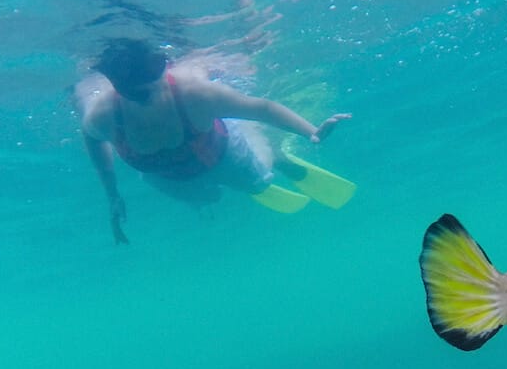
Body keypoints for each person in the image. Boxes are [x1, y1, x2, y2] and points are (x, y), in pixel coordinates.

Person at [76, 38, 353, 244]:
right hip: (163, 177)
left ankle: (273, 155)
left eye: (160, 69)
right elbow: (92, 139)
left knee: (256, 184)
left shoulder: (193, 94)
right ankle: (215, 188)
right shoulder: (102, 116)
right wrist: (112, 195)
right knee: (207, 198)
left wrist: (310, 131)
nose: (155, 91)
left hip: (222, 152)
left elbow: (263, 109)